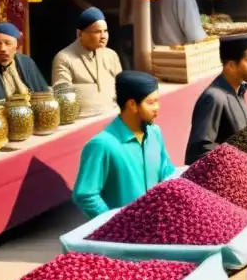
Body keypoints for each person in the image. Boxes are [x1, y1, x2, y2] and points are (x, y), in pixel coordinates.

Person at [71, 71, 175, 218]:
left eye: (157, 101)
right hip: (122, 237)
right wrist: (114, 225)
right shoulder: (102, 145)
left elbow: (167, 173)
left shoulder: (155, 133)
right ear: (132, 105)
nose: (157, 107)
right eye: (151, 102)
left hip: (156, 227)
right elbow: (85, 195)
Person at [185, 34, 247, 164]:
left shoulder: (239, 92)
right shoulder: (213, 98)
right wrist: (236, 162)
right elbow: (199, 151)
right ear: (231, 66)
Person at [51, 7, 123, 118]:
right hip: (82, 119)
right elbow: (63, 97)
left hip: (113, 113)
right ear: (80, 34)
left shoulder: (111, 55)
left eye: (105, 31)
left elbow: (122, 87)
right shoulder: (64, 58)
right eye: (97, 32)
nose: (103, 36)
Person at [0, 22, 48, 101]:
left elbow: (44, 95)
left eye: (8, 43)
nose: (2, 49)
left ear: (17, 47)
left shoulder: (26, 62)